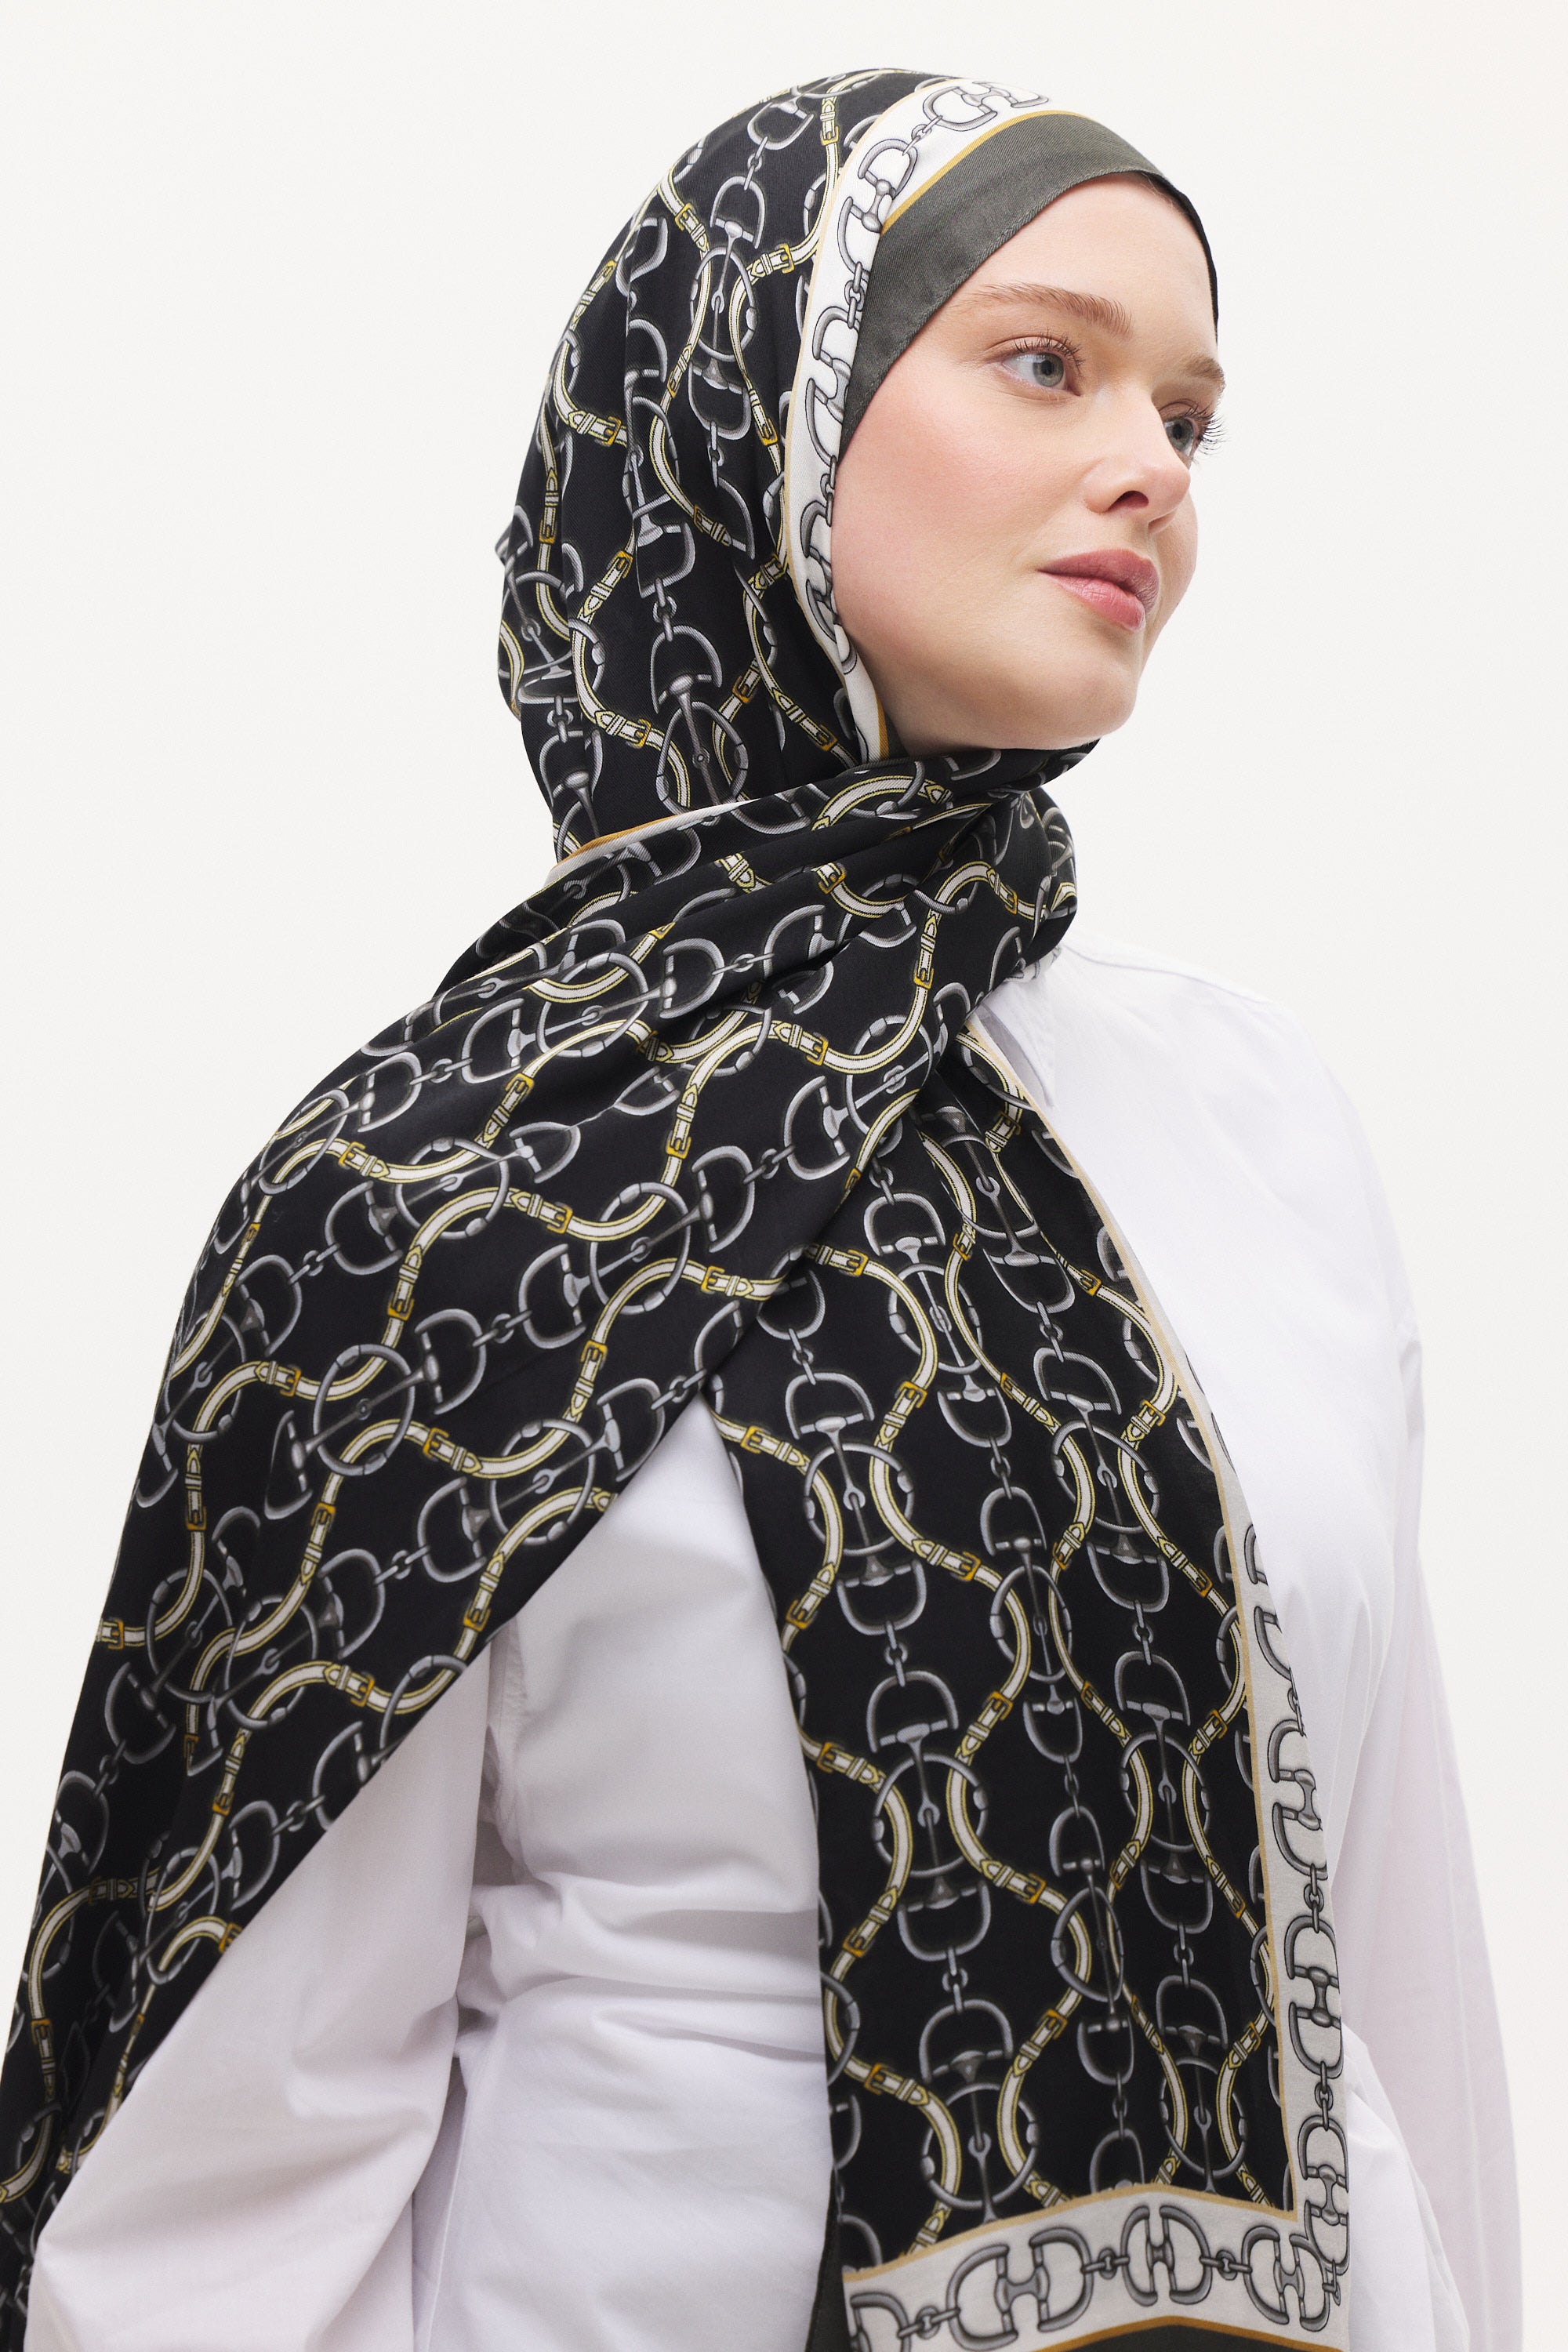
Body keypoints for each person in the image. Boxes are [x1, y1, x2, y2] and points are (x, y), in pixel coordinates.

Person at [2, 69, 1517, 2352]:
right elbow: (233, 2165)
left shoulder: (1256, 1121)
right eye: (1048, 363)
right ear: (748, 422)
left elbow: (1392, 1992)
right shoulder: (435, 1203)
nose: (1152, 469)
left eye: (1192, 417)